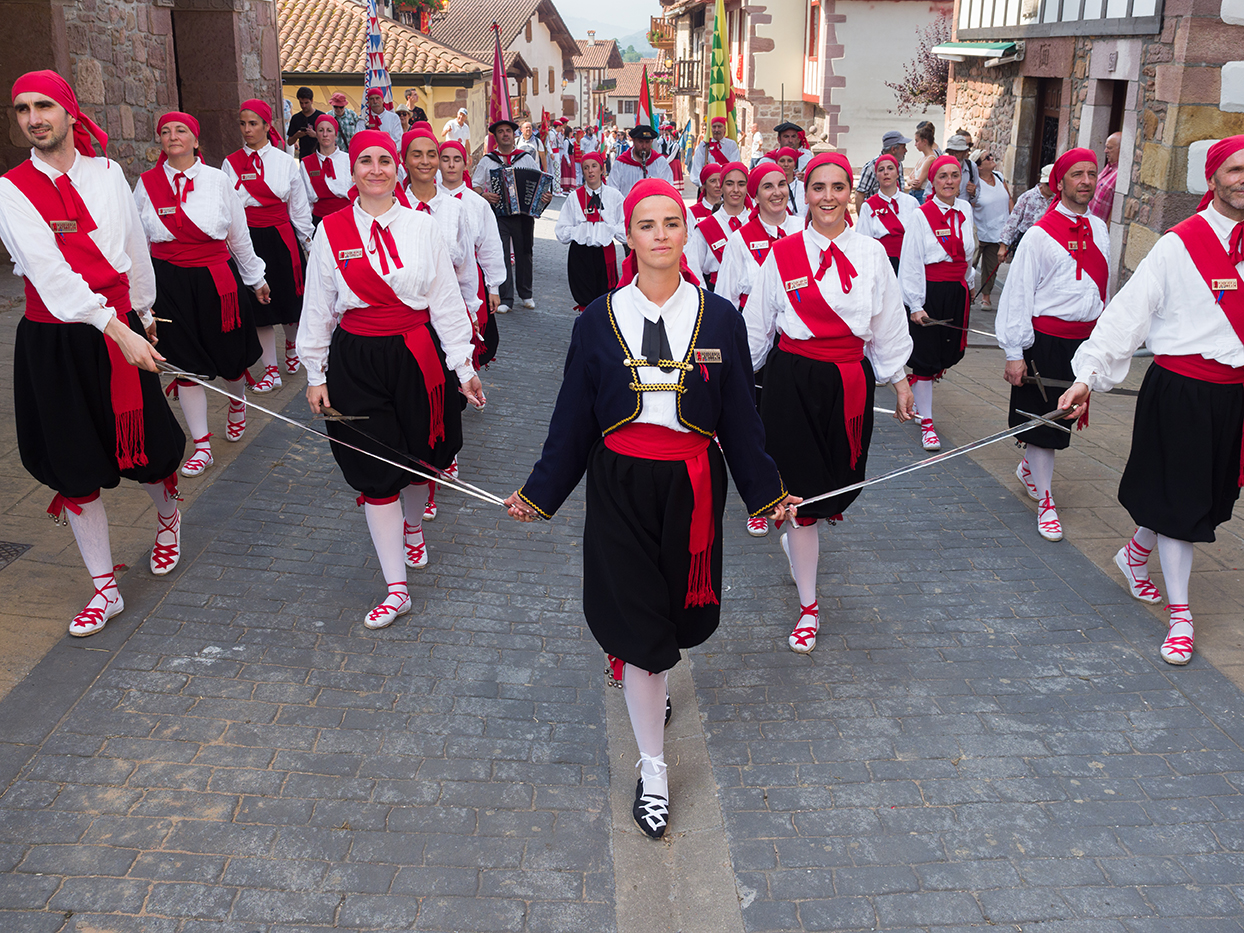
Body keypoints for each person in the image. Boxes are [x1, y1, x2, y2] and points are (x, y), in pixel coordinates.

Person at [503, 178, 798, 839]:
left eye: (671, 222)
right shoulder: (596, 319)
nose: (660, 234)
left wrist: (769, 491)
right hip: (619, 483)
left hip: (693, 484)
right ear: (627, 235)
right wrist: (540, 491)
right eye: (646, 224)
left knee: (675, 621)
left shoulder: (720, 316)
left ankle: (652, 693)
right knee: (641, 635)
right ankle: (654, 767)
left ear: (685, 231)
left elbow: (742, 420)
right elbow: (572, 418)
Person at [0, 70, 187, 636]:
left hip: (120, 324)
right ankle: (105, 588)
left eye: (43, 106)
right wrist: (118, 328)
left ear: (69, 112)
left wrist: (145, 317)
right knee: (73, 462)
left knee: (150, 449)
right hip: (55, 338)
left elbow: (133, 249)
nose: (33, 118)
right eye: (22, 109)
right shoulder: (11, 188)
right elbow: (51, 277)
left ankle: (168, 517)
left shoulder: (108, 174)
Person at [1057, 136, 1244, 666]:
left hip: (1234, 395)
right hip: (1182, 391)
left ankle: (1134, 553)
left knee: (1200, 497)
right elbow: (1126, 315)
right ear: (1212, 179)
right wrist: (1087, 376)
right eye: (1234, 169)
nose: (1243, 178)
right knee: (1182, 505)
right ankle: (1181, 616)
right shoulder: (1178, 245)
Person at [298, 130, 484, 628]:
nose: (376, 169)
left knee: (422, 456)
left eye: (384, 160)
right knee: (374, 469)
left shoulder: (423, 227)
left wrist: (464, 368)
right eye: (365, 160)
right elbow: (317, 305)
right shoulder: (330, 231)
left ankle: (414, 526)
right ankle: (395, 587)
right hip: (355, 360)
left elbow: (445, 301)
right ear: (351, 170)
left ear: (397, 168)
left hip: (417, 356)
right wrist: (315, 372)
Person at [745, 152, 914, 652]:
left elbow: (887, 322)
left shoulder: (871, 254)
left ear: (850, 194)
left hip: (849, 383)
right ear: (806, 192)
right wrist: (732, 388)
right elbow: (757, 324)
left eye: (838, 187)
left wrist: (900, 380)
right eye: (818, 187)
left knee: (837, 487)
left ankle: (800, 540)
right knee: (802, 501)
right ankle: (809, 607)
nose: (828, 197)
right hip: (791, 382)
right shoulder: (783, 254)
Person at [135, 110, 268, 479]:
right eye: (165, 131)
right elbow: (136, 243)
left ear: (196, 140)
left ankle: (237, 401)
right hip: (169, 283)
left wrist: (256, 278)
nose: (172, 136)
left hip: (216, 280)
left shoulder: (217, 180)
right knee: (183, 365)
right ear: (160, 141)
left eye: (181, 130)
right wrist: (140, 300)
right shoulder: (146, 184)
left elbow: (239, 235)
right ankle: (202, 445)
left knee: (230, 359)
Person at [995, 148, 1107, 544]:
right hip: (1044, 343)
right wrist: (1014, 352)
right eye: (1077, 174)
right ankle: (1045, 501)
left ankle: (1029, 470)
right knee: (1045, 426)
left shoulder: (1101, 229)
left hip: (1083, 344)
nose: (1086, 181)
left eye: (1092, 173)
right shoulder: (1040, 235)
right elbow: (1018, 296)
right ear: (1060, 182)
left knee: (1062, 422)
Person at [715, 161, 804, 540]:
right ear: (755, 193)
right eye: (767, 186)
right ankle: (759, 502)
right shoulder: (740, 239)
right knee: (756, 431)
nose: (777, 192)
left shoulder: (805, 229)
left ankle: (799, 498)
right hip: (754, 345)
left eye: (782, 184)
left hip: (795, 342)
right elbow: (724, 297)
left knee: (792, 427)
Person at [224, 98, 314, 392]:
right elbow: (227, 207)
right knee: (258, 309)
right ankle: (271, 371)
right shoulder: (231, 163)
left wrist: (308, 243)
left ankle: (291, 343)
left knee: (288, 303)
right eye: (242, 124)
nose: (247, 130)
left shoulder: (286, 162)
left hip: (280, 237)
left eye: (253, 124)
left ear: (266, 125)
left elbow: (299, 209)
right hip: (247, 239)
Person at [899, 154, 977, 452]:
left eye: (954, 175)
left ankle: (920, 392)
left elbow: (968, 253)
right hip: (930, 291)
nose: (949, 181)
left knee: (946, 354)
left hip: (956, 292)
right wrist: (916, 304)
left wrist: (968, 285)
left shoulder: (966, 210)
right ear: (933, 180)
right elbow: (911, 262)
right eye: (942, 176)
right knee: (927, 357)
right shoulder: (921, 215)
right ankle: (927, 423)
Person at [439, 139, 505, 378]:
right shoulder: (430, 200)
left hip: (470, 278)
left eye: (456, 159)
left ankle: (467, 377)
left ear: (465, 162)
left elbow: (490, 246)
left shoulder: (477, 204)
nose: (451, 165)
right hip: (438, 277)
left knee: (470, 329)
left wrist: (493, 286)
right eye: (445, 159)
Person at [471, 118, 550, 313]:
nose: (505, 134)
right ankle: (506, 298)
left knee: (525, 253)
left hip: (523, 214)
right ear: (496, 136)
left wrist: (543, 197)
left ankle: (526, 294)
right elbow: (475, 185)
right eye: (501, 132)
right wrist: (484, 195)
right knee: (502, 254)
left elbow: (539, 182)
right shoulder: (488, 160)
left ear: (514, 135)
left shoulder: (525, 158)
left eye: (508, 131)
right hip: (498, 213)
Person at [554, 151, 624, 311]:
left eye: (594, 166)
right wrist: (581, 230)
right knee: (585, 299)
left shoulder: (614, 196)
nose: (590, 171)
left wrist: (608, 228)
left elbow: (625, 229)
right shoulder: (573, 197)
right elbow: (561, 231)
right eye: (586, 168)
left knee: (605, 299)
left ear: (602, 169)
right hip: (581, 254)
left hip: (605, 252)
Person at [685, 162, 750, 289]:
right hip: (714, 290)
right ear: (722, 186)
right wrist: (706, 299)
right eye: (729, 184)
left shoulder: (755, 222)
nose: (736, 190)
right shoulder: (705, 227)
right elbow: (693, 267)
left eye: (741, 184)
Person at [856, 153, 920, 275]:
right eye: (881, 169)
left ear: (897, 173)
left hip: (908, 264)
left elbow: (918, 238)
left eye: (890, 168)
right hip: (880, 265)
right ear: (876, 176)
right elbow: (862, 242)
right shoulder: (868, 206)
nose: (886, 172)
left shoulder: (911, 203)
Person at [970, 147, 1012, 309]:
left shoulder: (999, 177)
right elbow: (970, 204)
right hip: (979, 232)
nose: (992, 157)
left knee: (991, 267)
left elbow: (1008, 199)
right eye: (987, 157)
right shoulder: (975, 184)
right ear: (979, 166)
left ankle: (986, 298)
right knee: (970, 266)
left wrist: (1011, 220)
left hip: (998, 231)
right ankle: (967, 294)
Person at [301, 114, 352, 228]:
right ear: (316, 134)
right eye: (321, 130)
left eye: (329, 130)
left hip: (347, 218)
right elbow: (305, 201)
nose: (325, 134)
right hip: (320, 222)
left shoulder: (348, 160)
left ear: (336, 134)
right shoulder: (307, 163)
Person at [998, 165, 1056, 262]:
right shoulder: (1028, 196)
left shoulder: (1059, 199)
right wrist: (1003, 246)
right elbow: (1012, 221)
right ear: (1042, 182)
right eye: (1048, 184)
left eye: (1054, 184)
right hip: (1026, 241)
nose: (1052, 188)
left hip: (1048, 243)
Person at [607, 124, 674, 198]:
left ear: (651, 141)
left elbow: (669, 188)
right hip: (626, 208)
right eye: (640, 142)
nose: (644, 146)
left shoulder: (660, 162)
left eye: (647, 142)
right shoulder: (621, 163)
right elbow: (612, 190)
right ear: (634, 141)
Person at [854, 130, 911, 211]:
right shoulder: (872, 167)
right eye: (903, 147)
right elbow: (860, 194)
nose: (906, 150)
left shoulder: (898, 164)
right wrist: (863, 220)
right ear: (893, 149)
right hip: (877, 215)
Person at [689, 117, 741, 184]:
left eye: (719, 126)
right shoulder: (704, 145)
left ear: (724, 129)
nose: (716, 130)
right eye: (714, 127)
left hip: (725, 185)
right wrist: (702, 184)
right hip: (707, 186)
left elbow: (734, 166)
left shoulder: (731, 145)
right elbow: (696, 168)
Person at [1089, 131, 1121, 227]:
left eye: (1109, 148)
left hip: (1098, 232)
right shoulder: (1109, 167)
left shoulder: (1120, 174)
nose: (1105, 151)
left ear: (1121, 149)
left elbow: (1115, 209)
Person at [287, 87, 324, 160]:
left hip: (320, 156)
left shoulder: (321, 117)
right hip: (304, 157)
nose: (303, 106)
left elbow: (330, 139)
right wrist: (296, 135)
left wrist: (315, 135)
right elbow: (289, 142)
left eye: (306, 103)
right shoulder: (296, 118)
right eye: (301, 103)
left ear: (312, 101)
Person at [944, 134, 978, 205]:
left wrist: (973, 193)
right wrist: (945, 196)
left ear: (965, 152)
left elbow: (977, 195)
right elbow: (927, 195)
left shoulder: (971, 167)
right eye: (951, 152)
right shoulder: (940, 167)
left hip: (964, 212)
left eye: (957, 152)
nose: (954, 156)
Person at [911, 122, 939, 204]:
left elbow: (918, 184)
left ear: (924, 142)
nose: (915, 144)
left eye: (917, 141)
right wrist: (911, 181)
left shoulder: (931, 159)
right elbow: (910, 177)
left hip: (921, 195)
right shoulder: (922, 157)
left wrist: (911, 182)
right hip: (914, 194)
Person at [773, 147, 805, 216]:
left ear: (794, 165)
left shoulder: (803, 188)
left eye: (790, 161)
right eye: (782, 161)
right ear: (777, 163)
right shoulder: (771, 188)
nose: (786, 164)